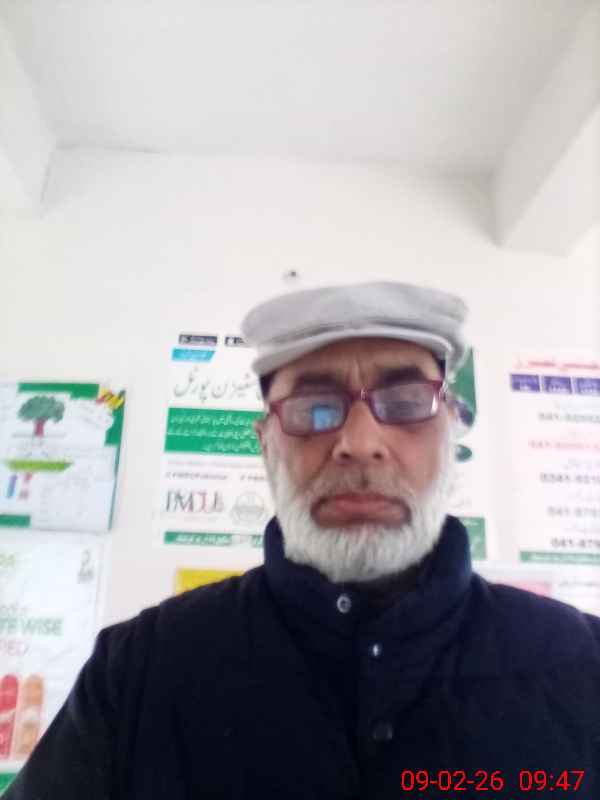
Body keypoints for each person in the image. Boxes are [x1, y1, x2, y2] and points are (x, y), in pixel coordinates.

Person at [5, 281, 600, 799]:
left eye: (405, 403)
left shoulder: (583, 664)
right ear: (265, 443)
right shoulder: (138, 670)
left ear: (451, 430)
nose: (360, 443)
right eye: (315, 408)